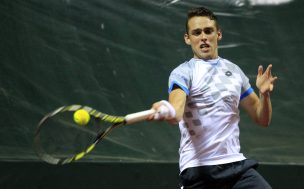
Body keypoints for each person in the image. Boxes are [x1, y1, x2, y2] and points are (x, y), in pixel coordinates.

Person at [148, 6, 277, 189]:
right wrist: (164, 108)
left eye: (208, 31)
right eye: (196, 32)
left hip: (236, 167)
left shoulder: (234, 71)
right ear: (188, 38)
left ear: (218, 34)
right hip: (199, 171)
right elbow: (176, 112)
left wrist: (265, 95)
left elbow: (262, 119)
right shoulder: (183, 73)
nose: (203, 37)